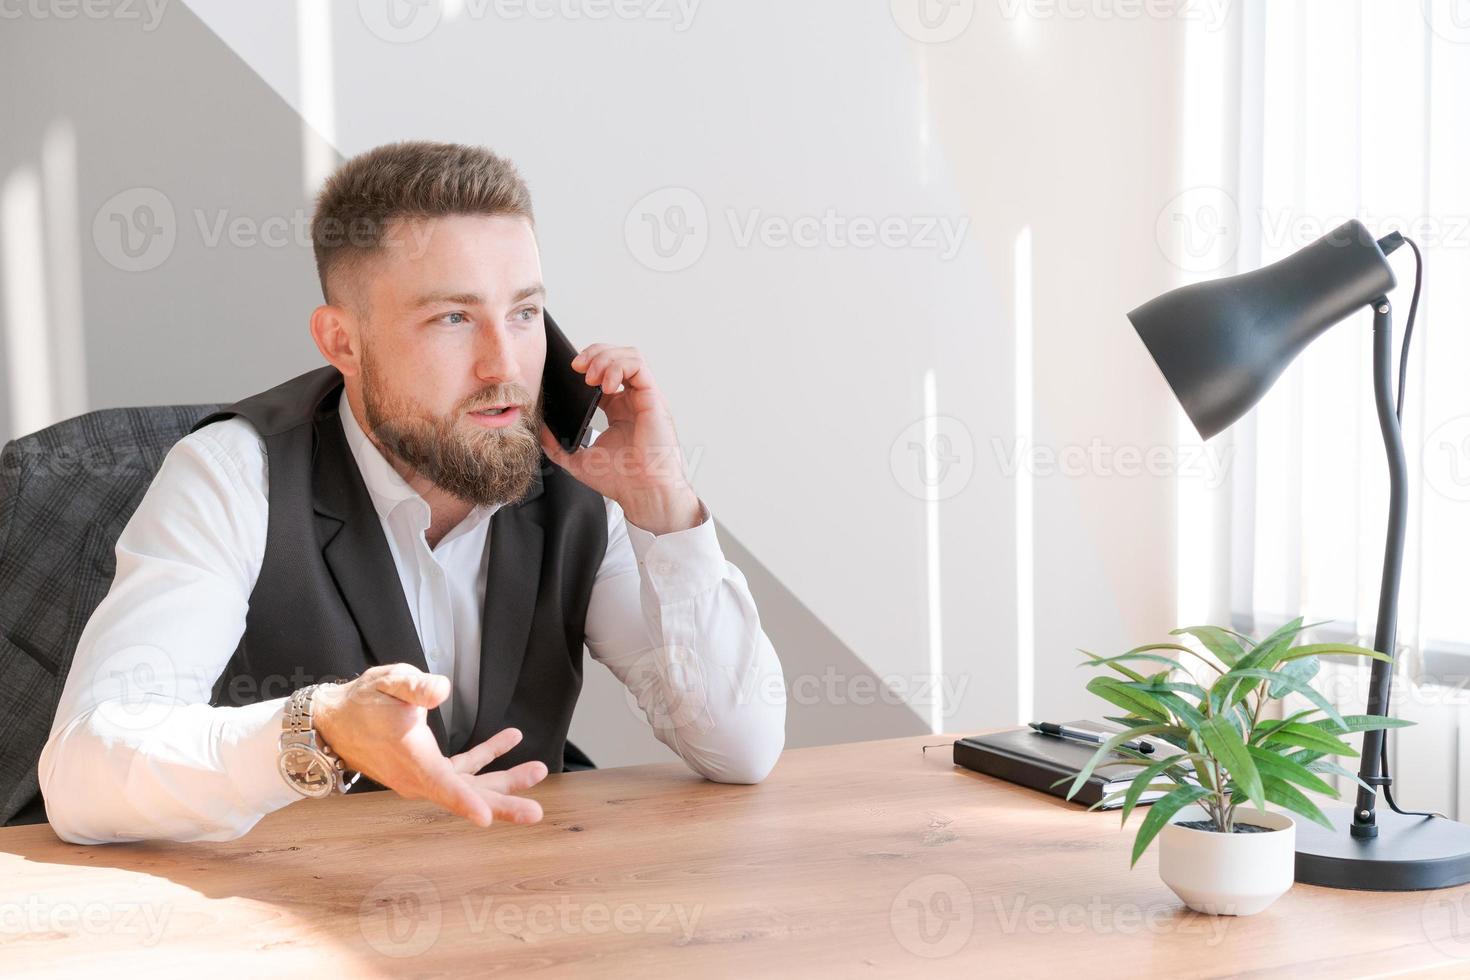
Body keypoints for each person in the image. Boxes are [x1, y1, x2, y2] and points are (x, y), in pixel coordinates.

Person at [37, 141, 786, 844]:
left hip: (527, 906)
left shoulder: (583, 482)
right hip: (297, 919)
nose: (505, 367)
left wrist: (662, 504)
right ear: (342, 342)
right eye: (453, 318)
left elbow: (740, 747)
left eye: (524, 313)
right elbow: (81, 771)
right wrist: (317, 728)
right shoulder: (233, 475)